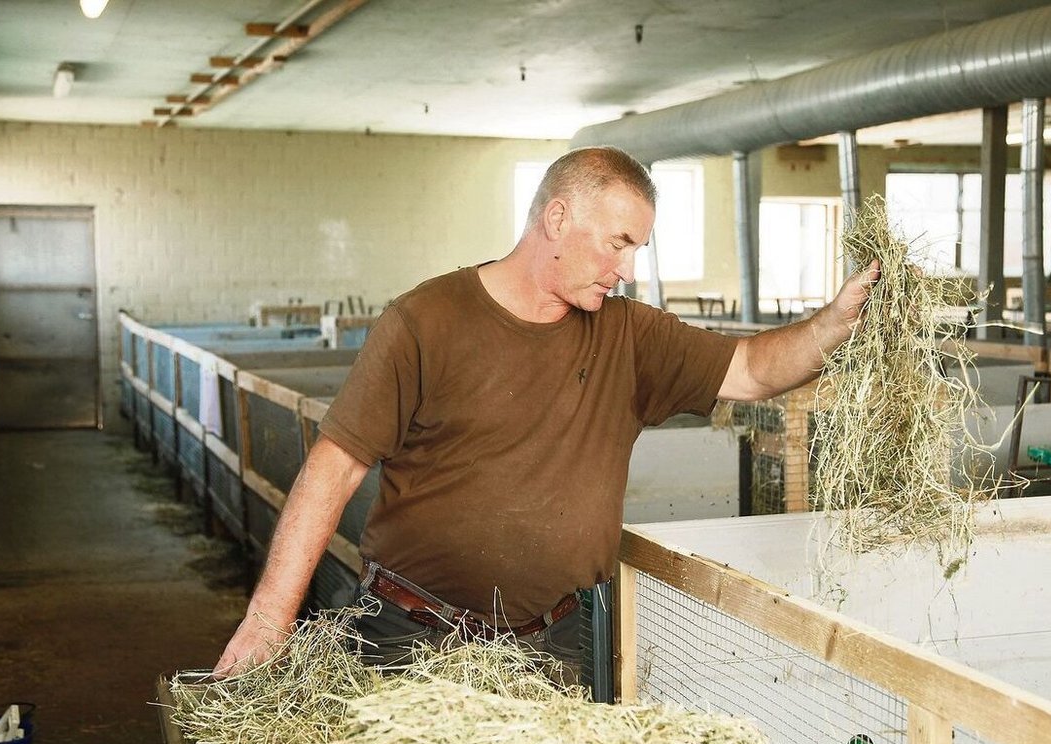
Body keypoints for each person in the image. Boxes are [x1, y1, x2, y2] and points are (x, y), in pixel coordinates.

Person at [213, 145, 878, 678]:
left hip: (556, 648)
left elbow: (754, 369)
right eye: (617, 242)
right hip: (413, 642)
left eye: (636, 250)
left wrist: (832, 324)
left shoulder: (630, 337)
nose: (626, 268)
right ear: (557, 219)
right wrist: (268, 621)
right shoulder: (425, 321)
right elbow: (334, 467)